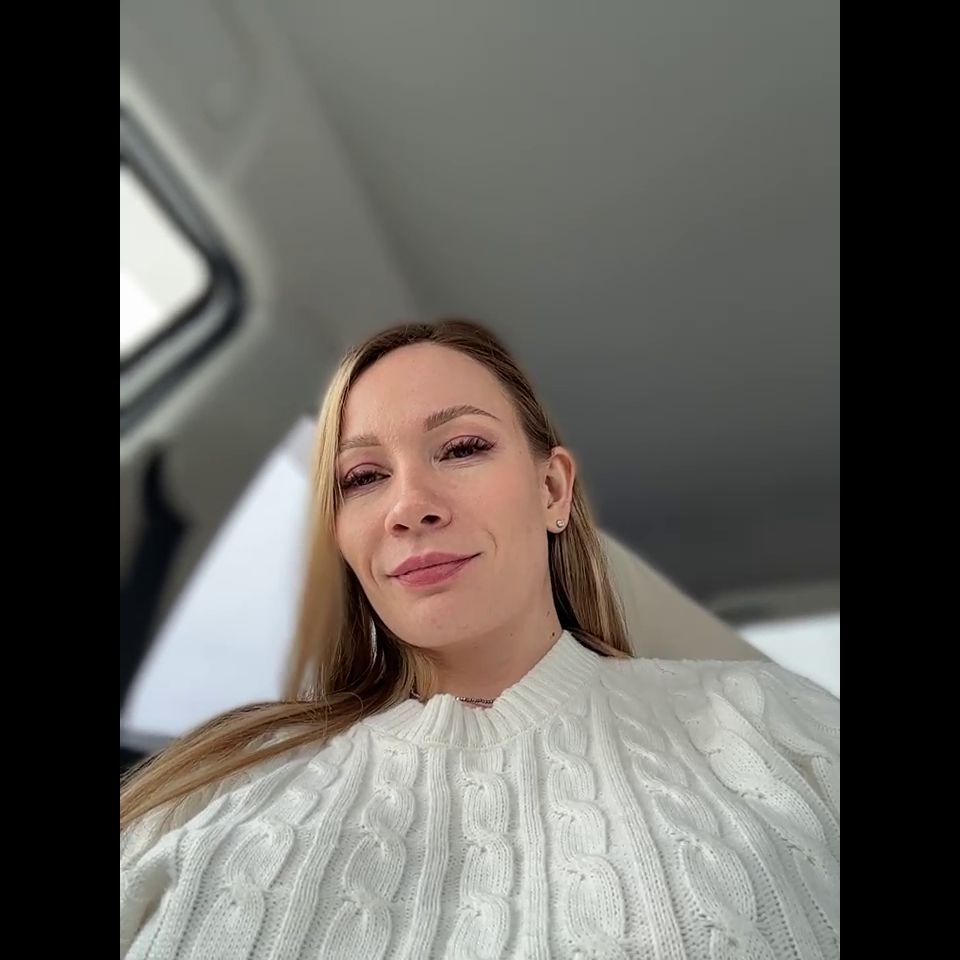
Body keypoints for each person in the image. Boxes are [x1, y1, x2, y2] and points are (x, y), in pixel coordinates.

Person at [120, 318, 839, 959]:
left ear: (553, 490)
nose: (409, 506)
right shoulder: (221, 782)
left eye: (461, 448)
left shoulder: (765, 720)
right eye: (363, 477)